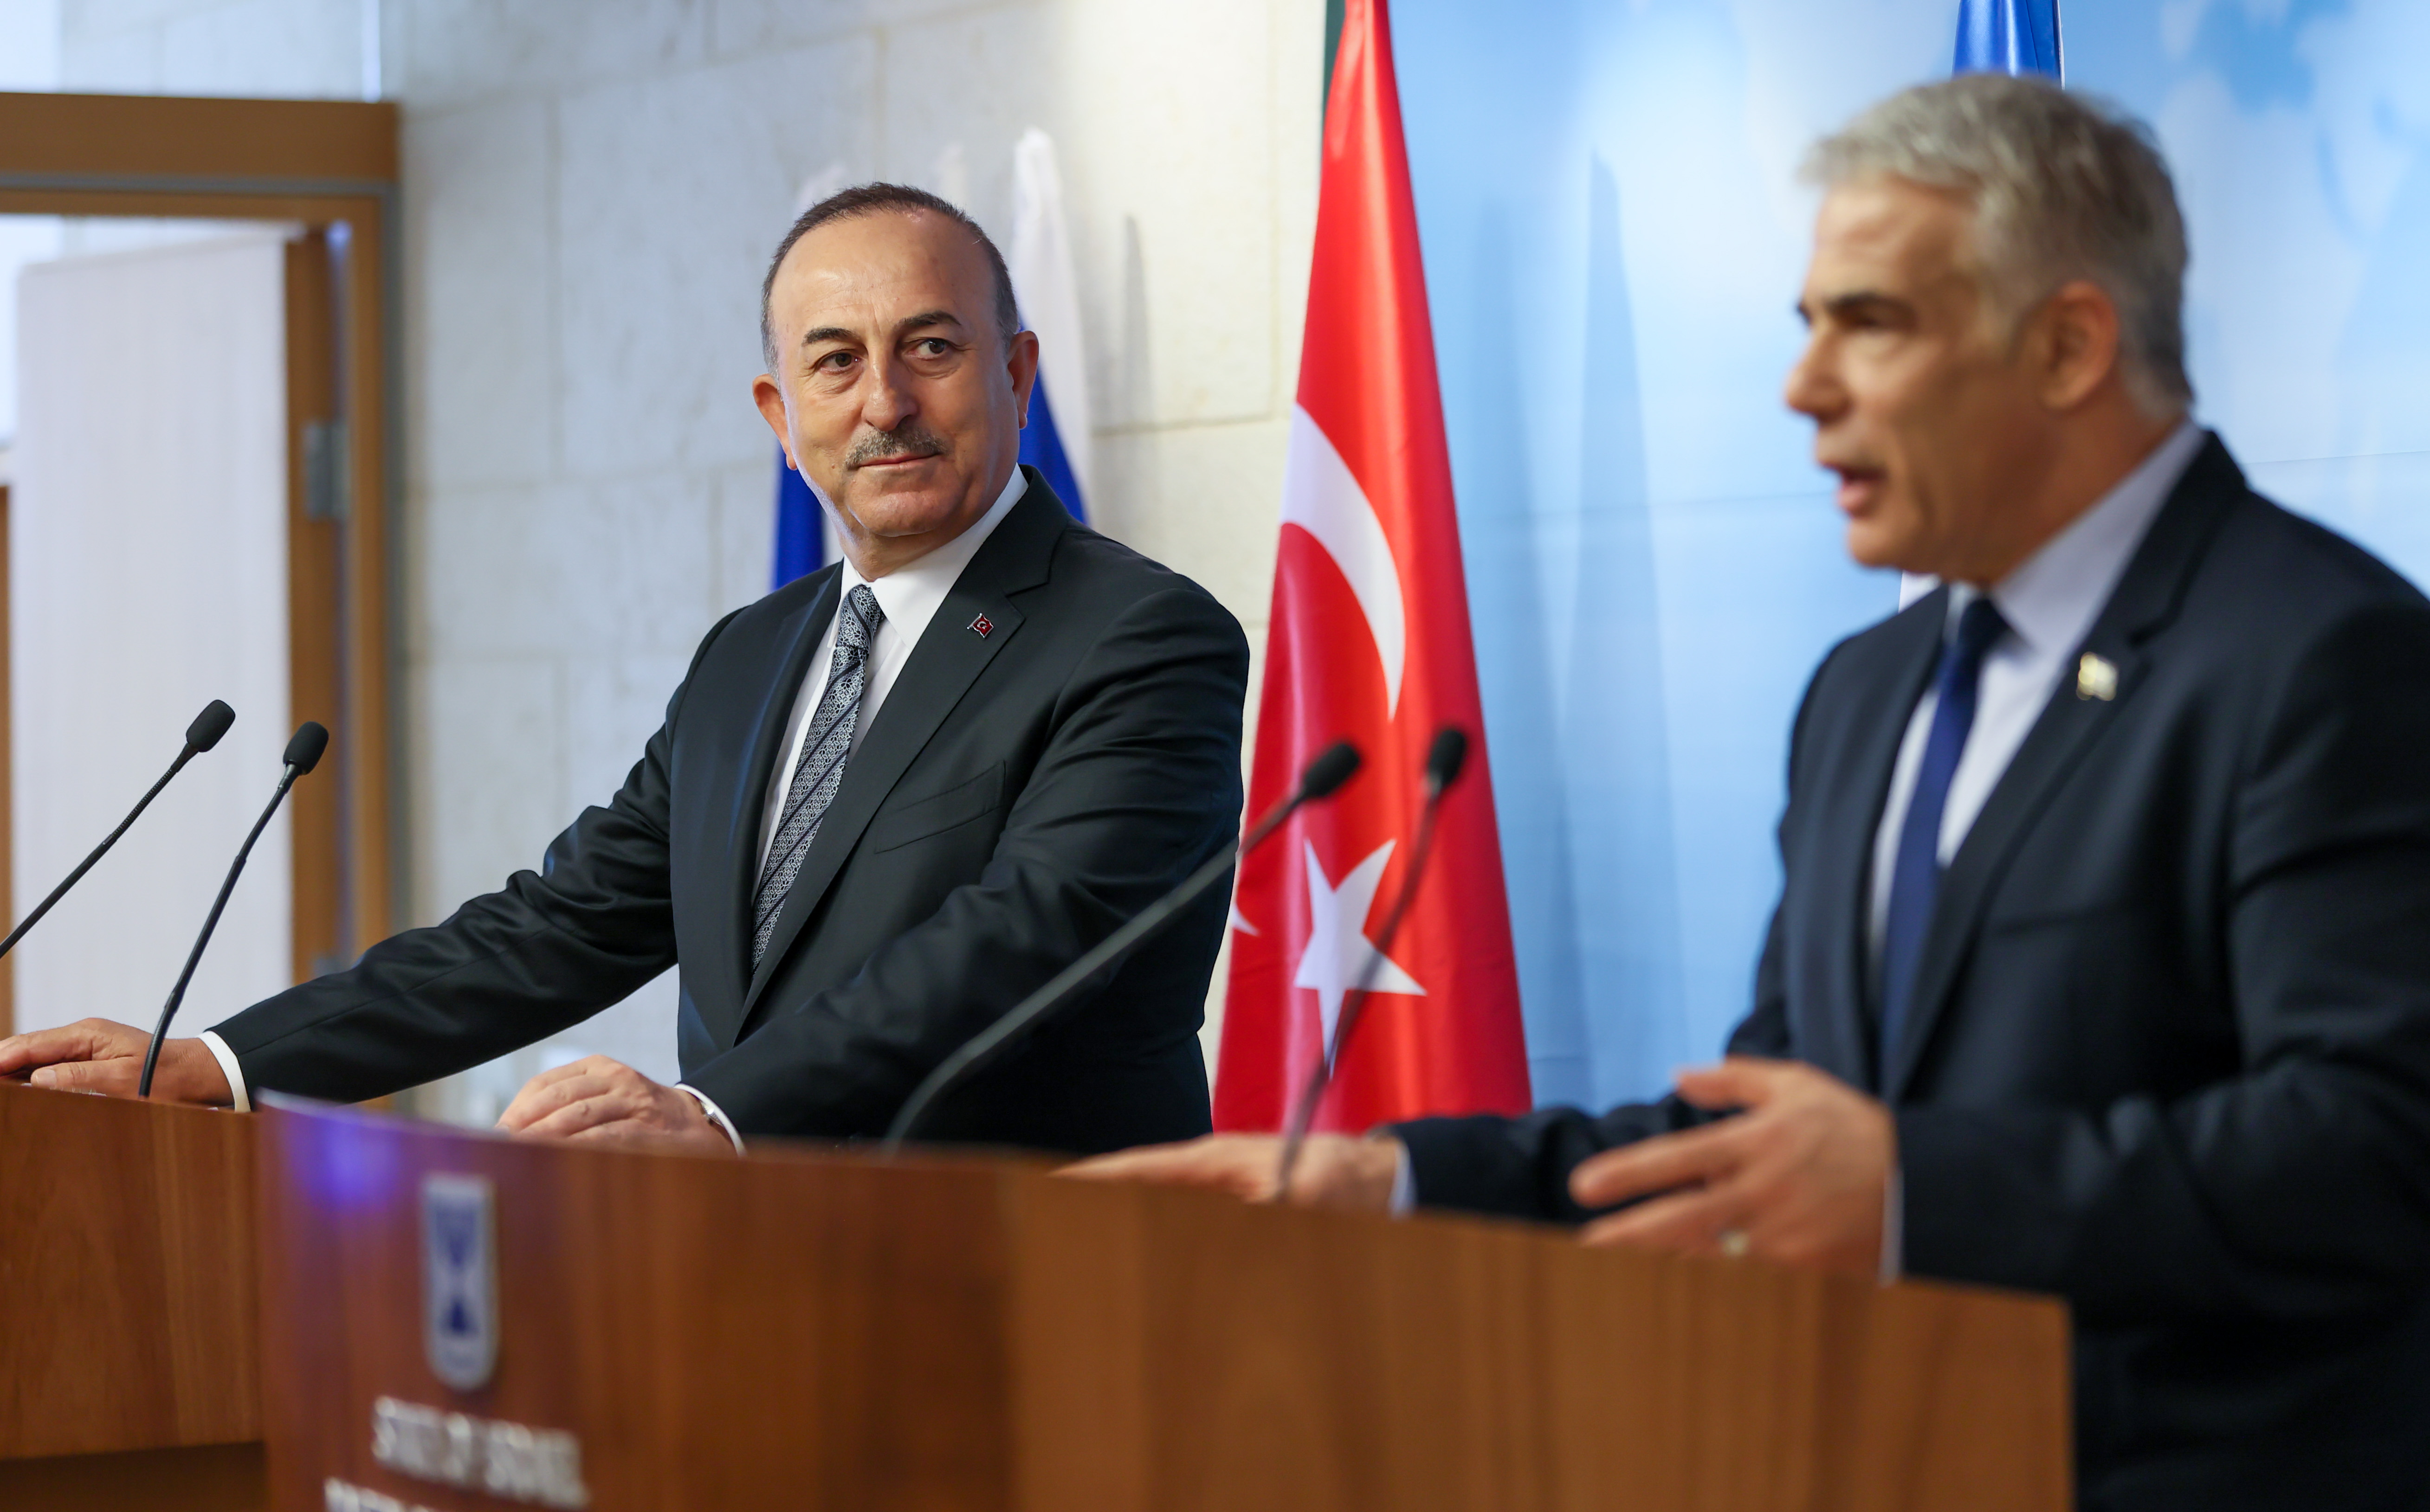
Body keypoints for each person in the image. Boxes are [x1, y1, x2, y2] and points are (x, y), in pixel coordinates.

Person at [1074, 77, 2430, 1507]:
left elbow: (2374, 1144)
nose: (1804, 386)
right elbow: (1763, 1147)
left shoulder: (2320, 657)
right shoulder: (1866, 692)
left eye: (1872, 322)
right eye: (1807, 327)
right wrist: (1397, 1184)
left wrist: (1912, 1193)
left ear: (2068, 344)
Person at [0, 184, 1248, 1158]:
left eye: (929, 346)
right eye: (834, 360)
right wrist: (221, 1062)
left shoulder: (1138, 637)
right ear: (779, 412)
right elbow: (559, 927)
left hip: (1042, 1293)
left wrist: (711, 1114)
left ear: (1015, 373)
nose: (884, 400)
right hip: (739, 1294)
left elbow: (1016, 948)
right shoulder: (752, 655)